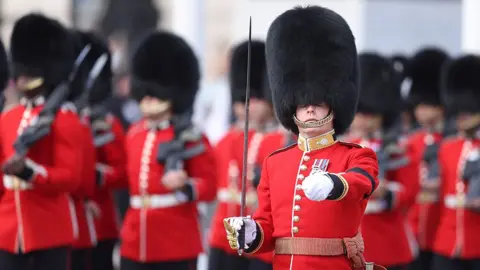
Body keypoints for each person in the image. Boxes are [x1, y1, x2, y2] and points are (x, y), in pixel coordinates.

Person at [224, 6, 384, 270]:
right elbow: (268, 226)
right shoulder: (275, 162)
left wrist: (335, 184)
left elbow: (362, 181)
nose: (309, 108)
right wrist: (251, 233)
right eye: (301, 102)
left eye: (318, 102)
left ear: (334, 104)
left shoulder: (355, 155)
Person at [120, 31, 216, 270]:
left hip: (174, 242)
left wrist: (185, 185)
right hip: (135, 239)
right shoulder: (134, 134)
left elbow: (209, 185)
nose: (150, 99)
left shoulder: (191, 136)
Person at [0, 13, 85, 270]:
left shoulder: (65, 120)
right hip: (8, 230)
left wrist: (29, 172)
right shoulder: (8, 119)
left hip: (47, 230)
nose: (23, 77)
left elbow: (70, 177)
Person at [348, 52, 420, 270]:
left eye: (371, 114)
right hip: (350, 238)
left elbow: (410, 189)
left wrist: (386, 191)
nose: (365, 119)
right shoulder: (342, 147)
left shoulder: (400, 147)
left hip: (388, 239)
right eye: (361, 112)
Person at [208, 40, 274, 270]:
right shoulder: (226, 140)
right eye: (242, 99)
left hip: (262, 236)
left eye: (256, 99)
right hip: (224, 235)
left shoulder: (280, 142)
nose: (248, 106)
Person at [73, 30, 128, 270]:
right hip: (69, 218)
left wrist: (97, 174)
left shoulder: (107, 123)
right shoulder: (64, 119)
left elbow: (123, 172)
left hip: (100, 220)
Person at [431, 54, 480, 270]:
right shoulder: (447, 147)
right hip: (446, 242)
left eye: (468, 111)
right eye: (459, 112)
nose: (462, 116)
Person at [403, 48, 450, 270]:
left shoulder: (449, 143)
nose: (422, 112)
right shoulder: (411, 142)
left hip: (440, 229)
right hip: (412, 229)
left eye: (428, 105)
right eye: (419, 106)